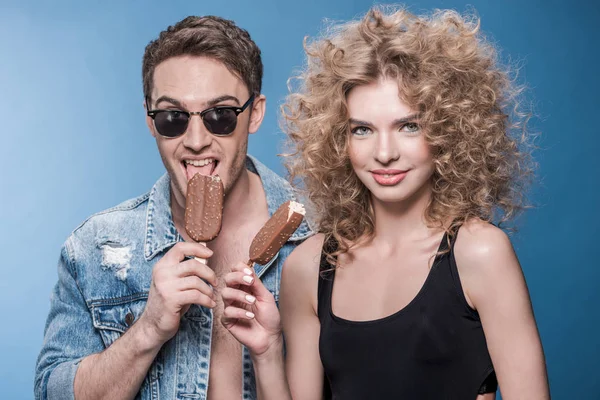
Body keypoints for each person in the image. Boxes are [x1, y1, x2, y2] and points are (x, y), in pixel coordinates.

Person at [221, 6, 550, 399]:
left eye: (409, 126)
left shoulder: (479, 254)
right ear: (338, 140)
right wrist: (267, 349)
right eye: (362, 130)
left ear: (449, 129)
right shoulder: (308, 267)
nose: (384, 152)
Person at [34, 15, 312, 400]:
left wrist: (271, 350)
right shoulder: (94, 250)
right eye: (172, 118)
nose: (196, 140)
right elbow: (53, 393)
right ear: (150, 119)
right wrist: (147, 330)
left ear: (256, 113)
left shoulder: (320, 239)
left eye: (221, 115)